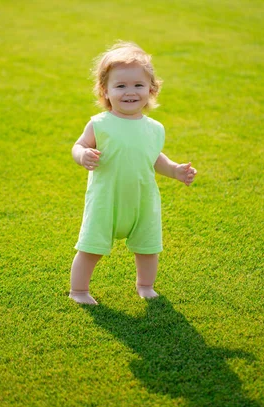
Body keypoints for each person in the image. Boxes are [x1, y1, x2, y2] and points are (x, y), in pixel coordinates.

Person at [69, 41, 197, 305]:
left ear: (151, 89)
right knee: (91, 248)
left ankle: (145, 285)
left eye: (138, 85)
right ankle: (79, 291)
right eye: (121, 86)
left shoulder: (154, 128)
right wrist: (83, 155)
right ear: (105, 91)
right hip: (107, 200)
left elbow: (153, 157)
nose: (130, 92)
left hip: (142, 200)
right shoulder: (100, 124)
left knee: (148, 247)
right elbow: (79, 145)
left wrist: (174, 170)